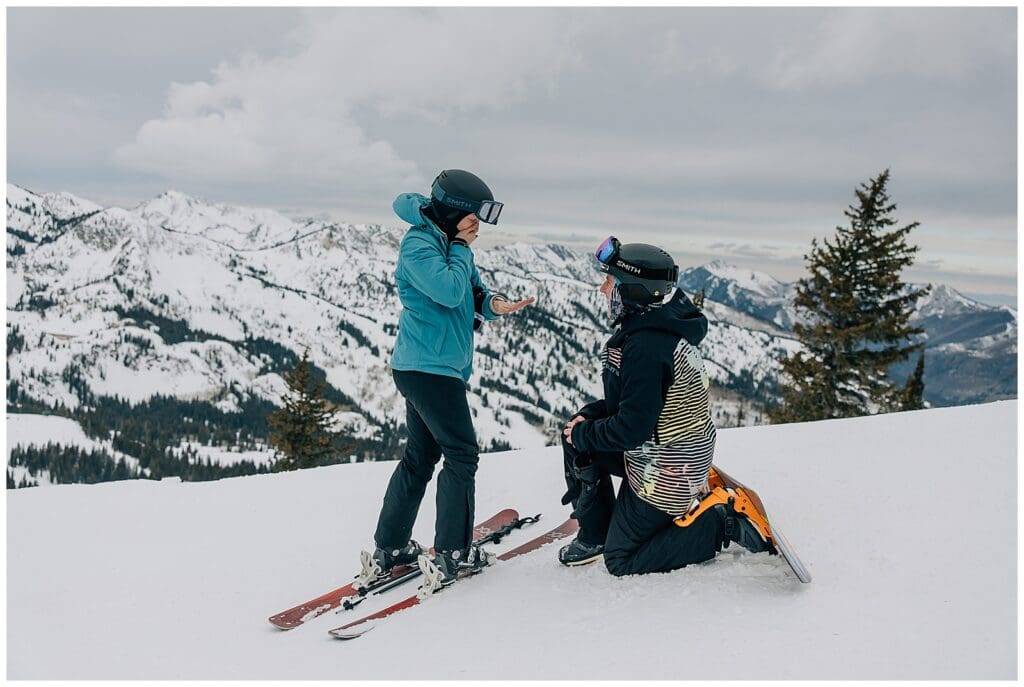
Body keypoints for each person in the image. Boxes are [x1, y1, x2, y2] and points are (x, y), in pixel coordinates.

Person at [356, 169, 534, 588]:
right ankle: (454, 552)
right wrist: (459, 247)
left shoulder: (446, 243)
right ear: (451, 213)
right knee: (462, 455)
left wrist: (494, 304)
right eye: (471, 217)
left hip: (429, 367)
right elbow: (449, 291)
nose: (477, 226)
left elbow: (470, 293)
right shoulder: (419, 245)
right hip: (428, 370)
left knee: (421, 458)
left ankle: (392, 548)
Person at [558, 237, 771, 576]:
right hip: (657, 451)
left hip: (667, 469)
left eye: (610, 282)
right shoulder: (648, 329)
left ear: (633, 291)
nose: (602, 289)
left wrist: (587, 432)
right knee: (575, 434)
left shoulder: (647, 346)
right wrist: (587, 421)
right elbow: (634, 405)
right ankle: (596, 535)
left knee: (622, 560)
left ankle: (721, 523)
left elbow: (632, 428)